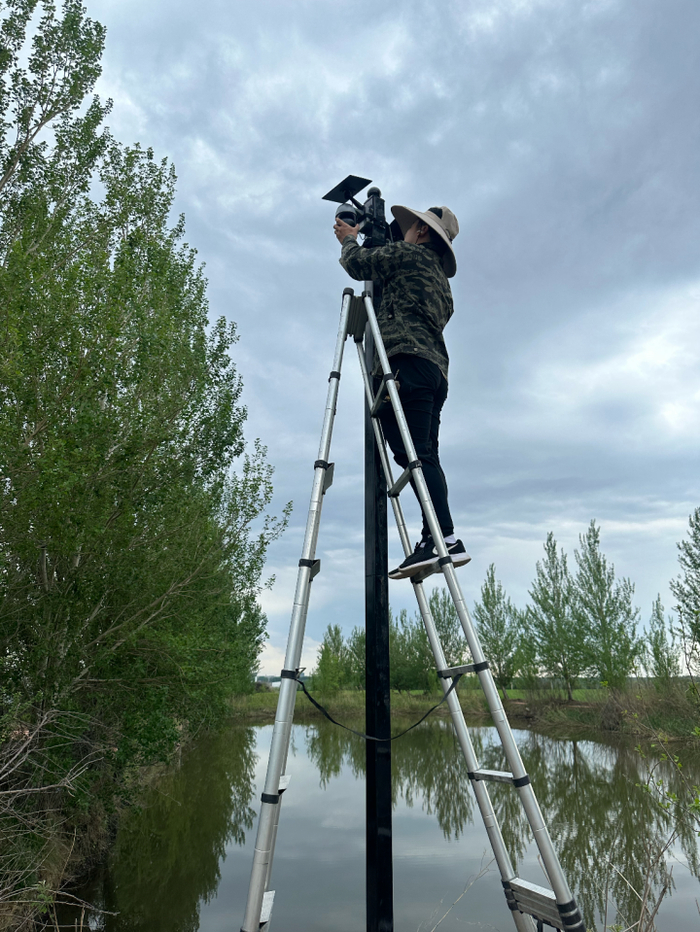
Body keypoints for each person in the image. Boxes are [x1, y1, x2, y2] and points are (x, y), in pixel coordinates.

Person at [333, 203, 470, 580]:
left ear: (422, 232)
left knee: (415, 453)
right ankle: (436, 537)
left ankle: (444, 537)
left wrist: (349, 239)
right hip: (434, 370)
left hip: (406, 363)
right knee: (422, 454)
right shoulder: (442, 284)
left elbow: (359, 264)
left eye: (411, 227)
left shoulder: (408, 256)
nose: (405, 231)